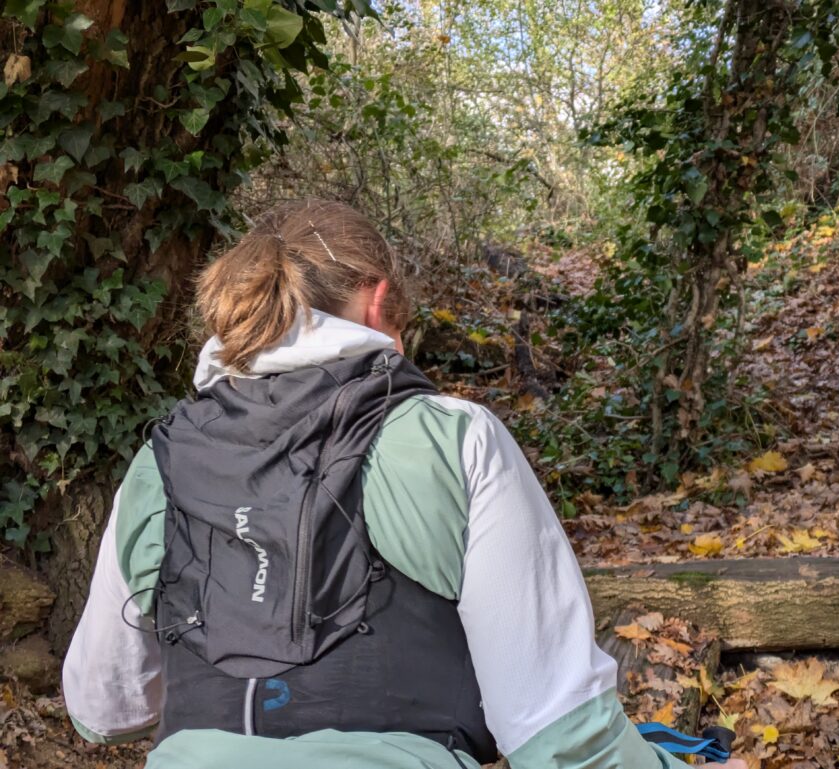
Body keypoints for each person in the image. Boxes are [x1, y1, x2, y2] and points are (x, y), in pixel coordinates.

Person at [63, 199, 746, 769]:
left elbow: (102, 707)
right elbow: (560, 737)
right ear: (380, 301)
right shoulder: (453, 438)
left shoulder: (160, 462)